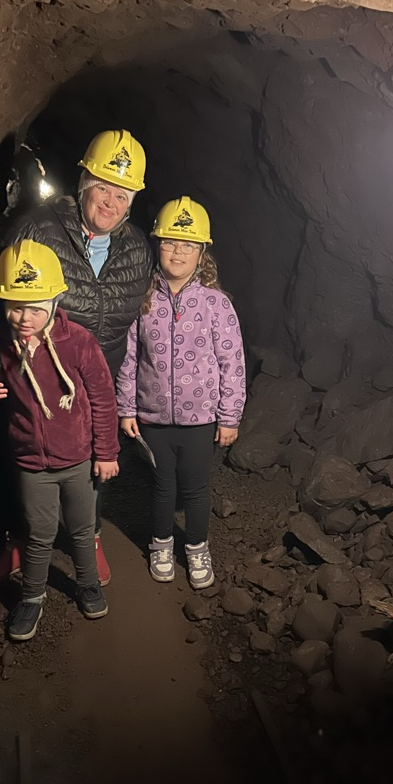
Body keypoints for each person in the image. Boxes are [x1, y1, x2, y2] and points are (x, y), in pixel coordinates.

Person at [0, 129, 151, 588]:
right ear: (84, 182)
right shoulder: (37, 229)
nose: (110, 201)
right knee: (25, 470)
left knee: (95, 467)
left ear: (133, 200)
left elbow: (146, 321)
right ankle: (17, 547)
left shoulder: (138, 250)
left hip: (94, 382)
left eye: (121, 193)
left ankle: (90, 540)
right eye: (103, 188)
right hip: (31, 380)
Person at [0, 238, 120, 641]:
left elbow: (104, 399)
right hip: (31, 464)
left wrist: (106, 452)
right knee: (38, 533)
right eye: (16, 307)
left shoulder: (79, 343)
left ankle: (87, 585)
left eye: (36, 307)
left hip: (77, 459)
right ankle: (32, 597)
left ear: (55, 301)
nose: (25, 317)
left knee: (81, 528)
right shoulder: (3, 347)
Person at [116, 197, 246, 589]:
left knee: (195, 487)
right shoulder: (143, 298)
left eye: (187, 245)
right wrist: (126, 408)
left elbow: (232, 363)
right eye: (171, 242)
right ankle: (160, 545)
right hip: (153, 417)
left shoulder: (215, 304)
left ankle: (196, 547)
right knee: (161, 485)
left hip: (200, 419)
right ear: (158, 244)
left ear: (201, 252)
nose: (178, 251)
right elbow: (128, 358)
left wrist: (229, 417)